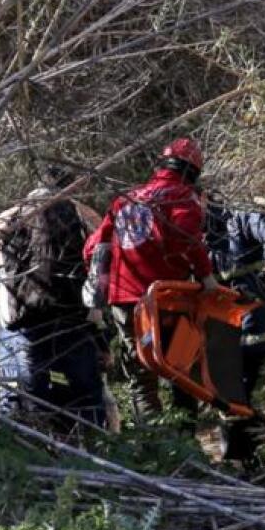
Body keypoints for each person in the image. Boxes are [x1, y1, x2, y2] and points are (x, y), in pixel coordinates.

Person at [84, 137, 219, 422]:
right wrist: (206, 276)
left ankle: (153, 439)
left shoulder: (125, 199)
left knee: (141, 372)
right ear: (192, 170)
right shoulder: (181, 197)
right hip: (167, 296)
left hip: (124, 299)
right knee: (181, 366)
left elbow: (93, 247)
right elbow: (185, 237)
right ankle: (184, 440)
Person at [0, 168, 111, 431]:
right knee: (84, 397)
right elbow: (104, 268)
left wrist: (9, 296)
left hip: (23, 326)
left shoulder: (9, 218)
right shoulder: (85, 215)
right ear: (71, 188)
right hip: (75, 321)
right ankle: (91, 451)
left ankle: (21, 449)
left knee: (19, 396)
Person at [203, 194, 265, 464]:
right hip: (229, 323)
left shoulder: (239, 215)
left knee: (235, 386)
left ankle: (241, 454)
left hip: (258, 317)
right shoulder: (194, 233)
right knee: (232, 388)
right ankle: (247, 448)